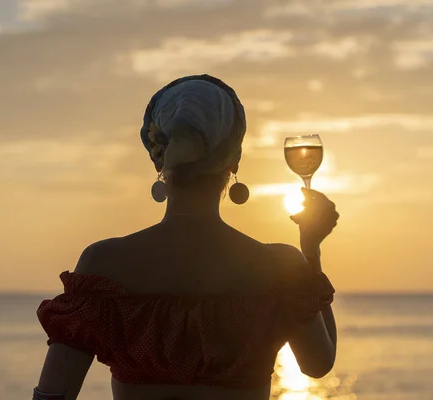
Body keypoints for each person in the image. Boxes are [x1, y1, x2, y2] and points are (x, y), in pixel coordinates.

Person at [33, 74, 339, 400]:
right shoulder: (280, 266)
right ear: (234, 159)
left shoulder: (104, 263)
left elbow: (52, 396)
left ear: (158, 156)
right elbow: (318, 364)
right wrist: (311, 250)